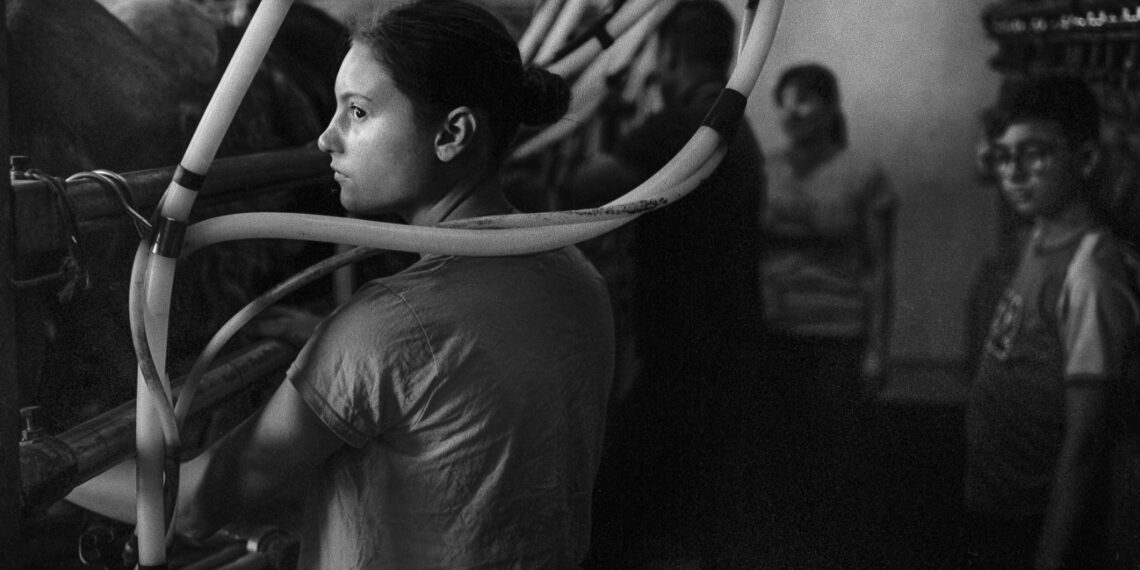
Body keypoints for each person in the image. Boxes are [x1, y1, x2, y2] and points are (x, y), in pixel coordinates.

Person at [66, 1, 616, 568]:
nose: (326, 138)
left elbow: (192, 504)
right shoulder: (576, 274)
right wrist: (345, 356)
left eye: (356, 112)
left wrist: (35, 465)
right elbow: (461, 375)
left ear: (452, 132)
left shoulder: (384, 329)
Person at [566, 1, 766, 566]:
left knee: (650, 508)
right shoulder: (730, 124)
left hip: (686, 343)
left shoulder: (685, 127)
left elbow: (589, 186)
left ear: (670, 54)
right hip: (720, 336)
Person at [966, 76, 1140, 569]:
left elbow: (1085, 441)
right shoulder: (1038, 234)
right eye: (1006, 157)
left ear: (1086, 160)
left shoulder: (1090, 272)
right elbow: (990, 159)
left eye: (1036, 154)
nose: (1014, 174)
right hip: (997, 502)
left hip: (1038, 520)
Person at [761, 62, 896, 436]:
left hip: (836, 337)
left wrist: (877, 351)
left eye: (803, 100)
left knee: (828, 453)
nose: (791, 111)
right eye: (783, 102)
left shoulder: (863, 174)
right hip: (771, 333)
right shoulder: (764, 171)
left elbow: (880, 267)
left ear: (831, 107)